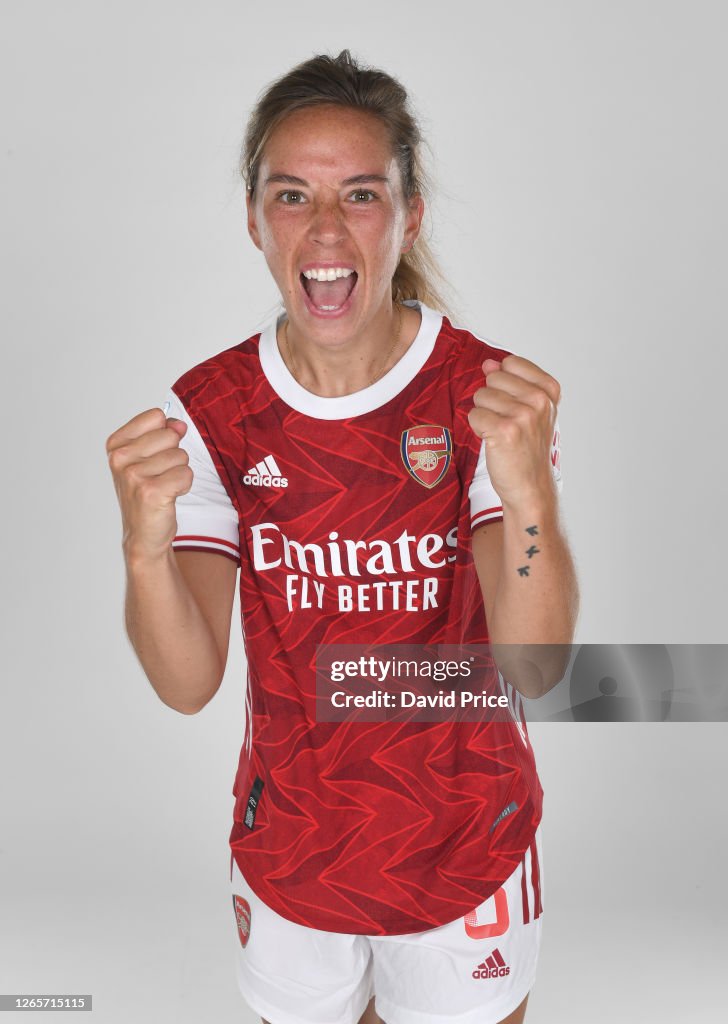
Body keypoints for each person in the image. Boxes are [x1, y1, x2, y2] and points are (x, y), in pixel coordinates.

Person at [106, 49, 579, 1024]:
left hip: (462, 845)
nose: (324, 227)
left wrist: (527, 492)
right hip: (293, 852)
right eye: (291, 195)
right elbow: (187, 681)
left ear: (409, 216)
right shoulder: (209, 413)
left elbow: (533, 665)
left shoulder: (478, 393)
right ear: (253, 220)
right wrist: (143, 549)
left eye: (359, 193)